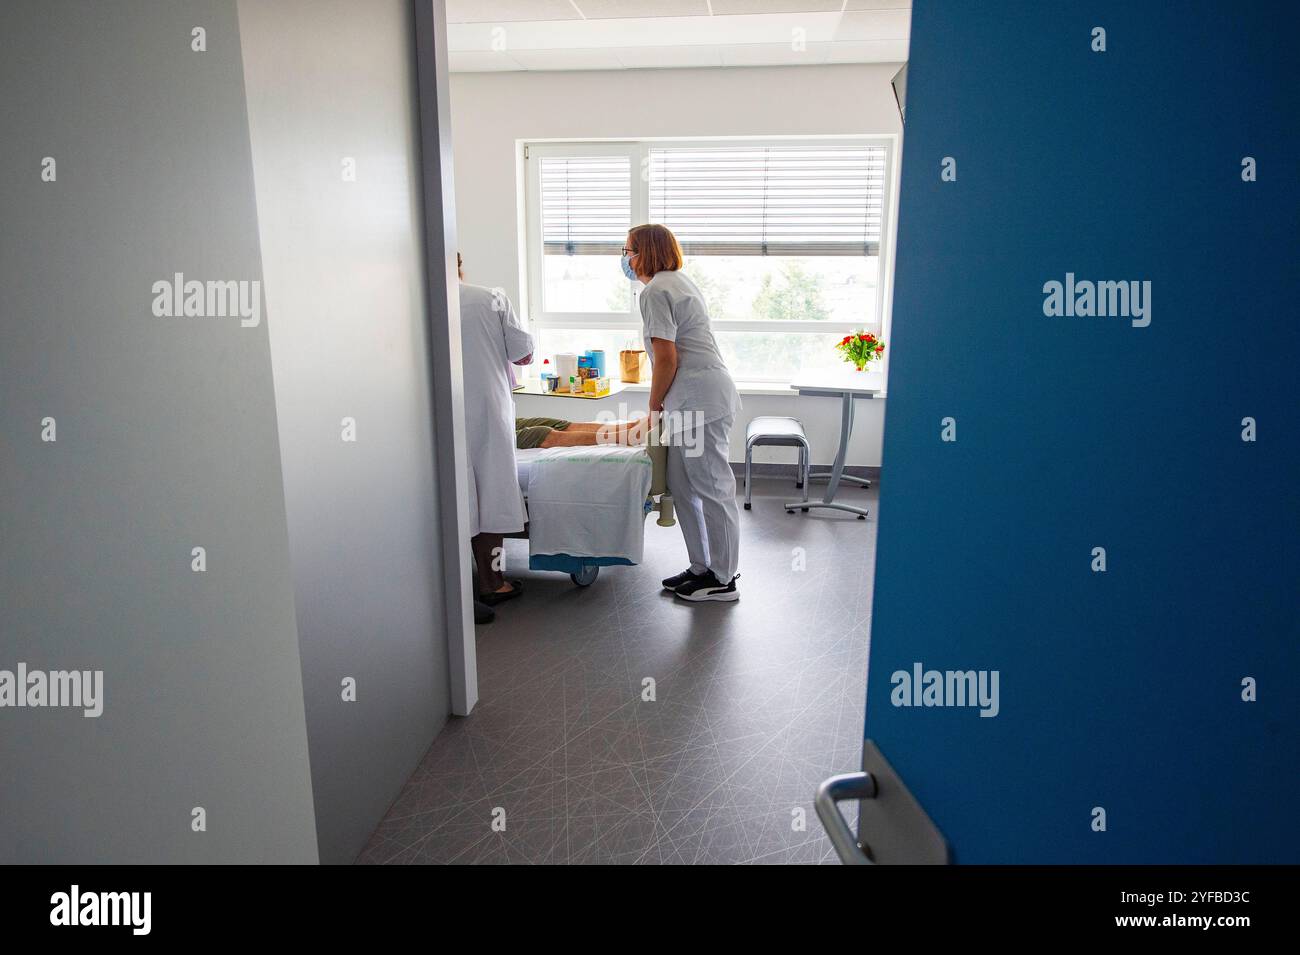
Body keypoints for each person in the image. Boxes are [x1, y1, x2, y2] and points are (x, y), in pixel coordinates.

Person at [623, 224, 742, 602]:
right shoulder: (675, 283)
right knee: (683, 485)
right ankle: (700, 566)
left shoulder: (657, 290)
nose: (626, 259)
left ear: (645, 252)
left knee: (711, 487)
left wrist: (653, 405)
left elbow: (666, 358)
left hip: (699, 401)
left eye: (628, 250)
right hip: (692, 399)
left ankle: (723, 578)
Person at [458, 253, 530, 610]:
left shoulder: (411, 302)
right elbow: (523, 355)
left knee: (451, 494)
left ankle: (452, 588)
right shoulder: (490, 298)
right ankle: (492, 582)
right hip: (485, 410)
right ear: (459, 265)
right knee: (491, 492)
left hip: (430, 414)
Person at [514, 414, 649, 449]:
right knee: (540, 434)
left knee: (557, 424)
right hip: (499, 437)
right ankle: (623, 437)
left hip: (508, 421)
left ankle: (630, 426)